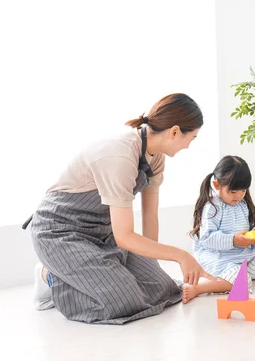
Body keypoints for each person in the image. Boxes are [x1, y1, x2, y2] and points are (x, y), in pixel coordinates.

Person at [24, 93, 213, 324]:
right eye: (191, 138)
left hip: (104, 232)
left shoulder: (156, 156)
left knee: (164, 288)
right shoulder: (119, 155)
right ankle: (50, 276)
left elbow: (149, 215)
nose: (189, 146)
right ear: (174, 132)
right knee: (122, 302)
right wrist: (181, 255)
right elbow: (124, 237)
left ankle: (98, 272)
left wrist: (150, 266)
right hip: (60, 233)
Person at [182, 155, 255, 303]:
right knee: (242, 281)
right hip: (220, 258)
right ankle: (200, 288)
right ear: (217, 184)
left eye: (243, 191)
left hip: (246, 257)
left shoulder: (243, 204)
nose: (239, 196)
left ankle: (236, 275)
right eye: (233, 192)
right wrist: (233, 240)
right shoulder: (212, 207)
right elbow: (206, 237)